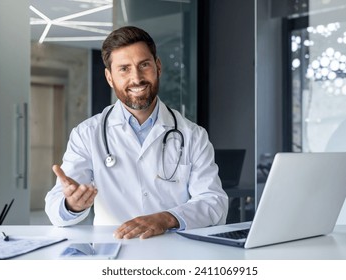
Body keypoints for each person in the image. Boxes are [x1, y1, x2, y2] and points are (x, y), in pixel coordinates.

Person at [45, 26, 228, 239]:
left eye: (144, 65)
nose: (137, 78)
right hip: (113, 252)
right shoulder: (87, 134)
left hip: (176, 253)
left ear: (158, 67)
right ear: (109, 77)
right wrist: (72, 204)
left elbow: (214, 203)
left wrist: (166, 218)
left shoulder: (193, 135)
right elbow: (55, 208)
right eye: (124, 69)